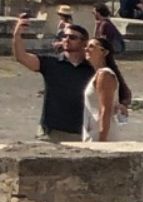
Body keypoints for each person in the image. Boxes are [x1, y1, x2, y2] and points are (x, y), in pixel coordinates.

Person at [11, 13, 92, 141]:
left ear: (84, 43)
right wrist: (17, 35)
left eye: (72, 37)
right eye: (64, 36)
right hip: (51, 131)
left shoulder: (92, 68)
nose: (66, 39)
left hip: (81, 132)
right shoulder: (51, 63)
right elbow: (22, 57)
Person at [80, 36, 126, 142]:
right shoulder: (98, 74)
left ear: (104, 52)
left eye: (91, 46)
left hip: (100, 135)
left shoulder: (104, 74)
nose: (86, 49)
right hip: (93, 132)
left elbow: (105, 109)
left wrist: (102, 139)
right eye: (86, 46)